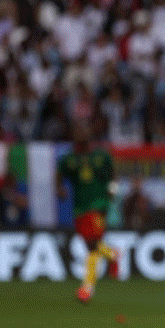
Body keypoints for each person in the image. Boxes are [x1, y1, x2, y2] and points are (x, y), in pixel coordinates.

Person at [59, 125, 119, 304]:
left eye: (84, 131)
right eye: (78, 132)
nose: (81, 134)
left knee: (92, 244)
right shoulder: (69, 159)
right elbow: (59, 175)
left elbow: (114, 174)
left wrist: (112, 191)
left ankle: (87, 288)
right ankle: (111, 254)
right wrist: (59, 188)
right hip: (80, 207)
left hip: (99, 204)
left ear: (90, 135)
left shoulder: (101, 156)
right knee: (89, 244)